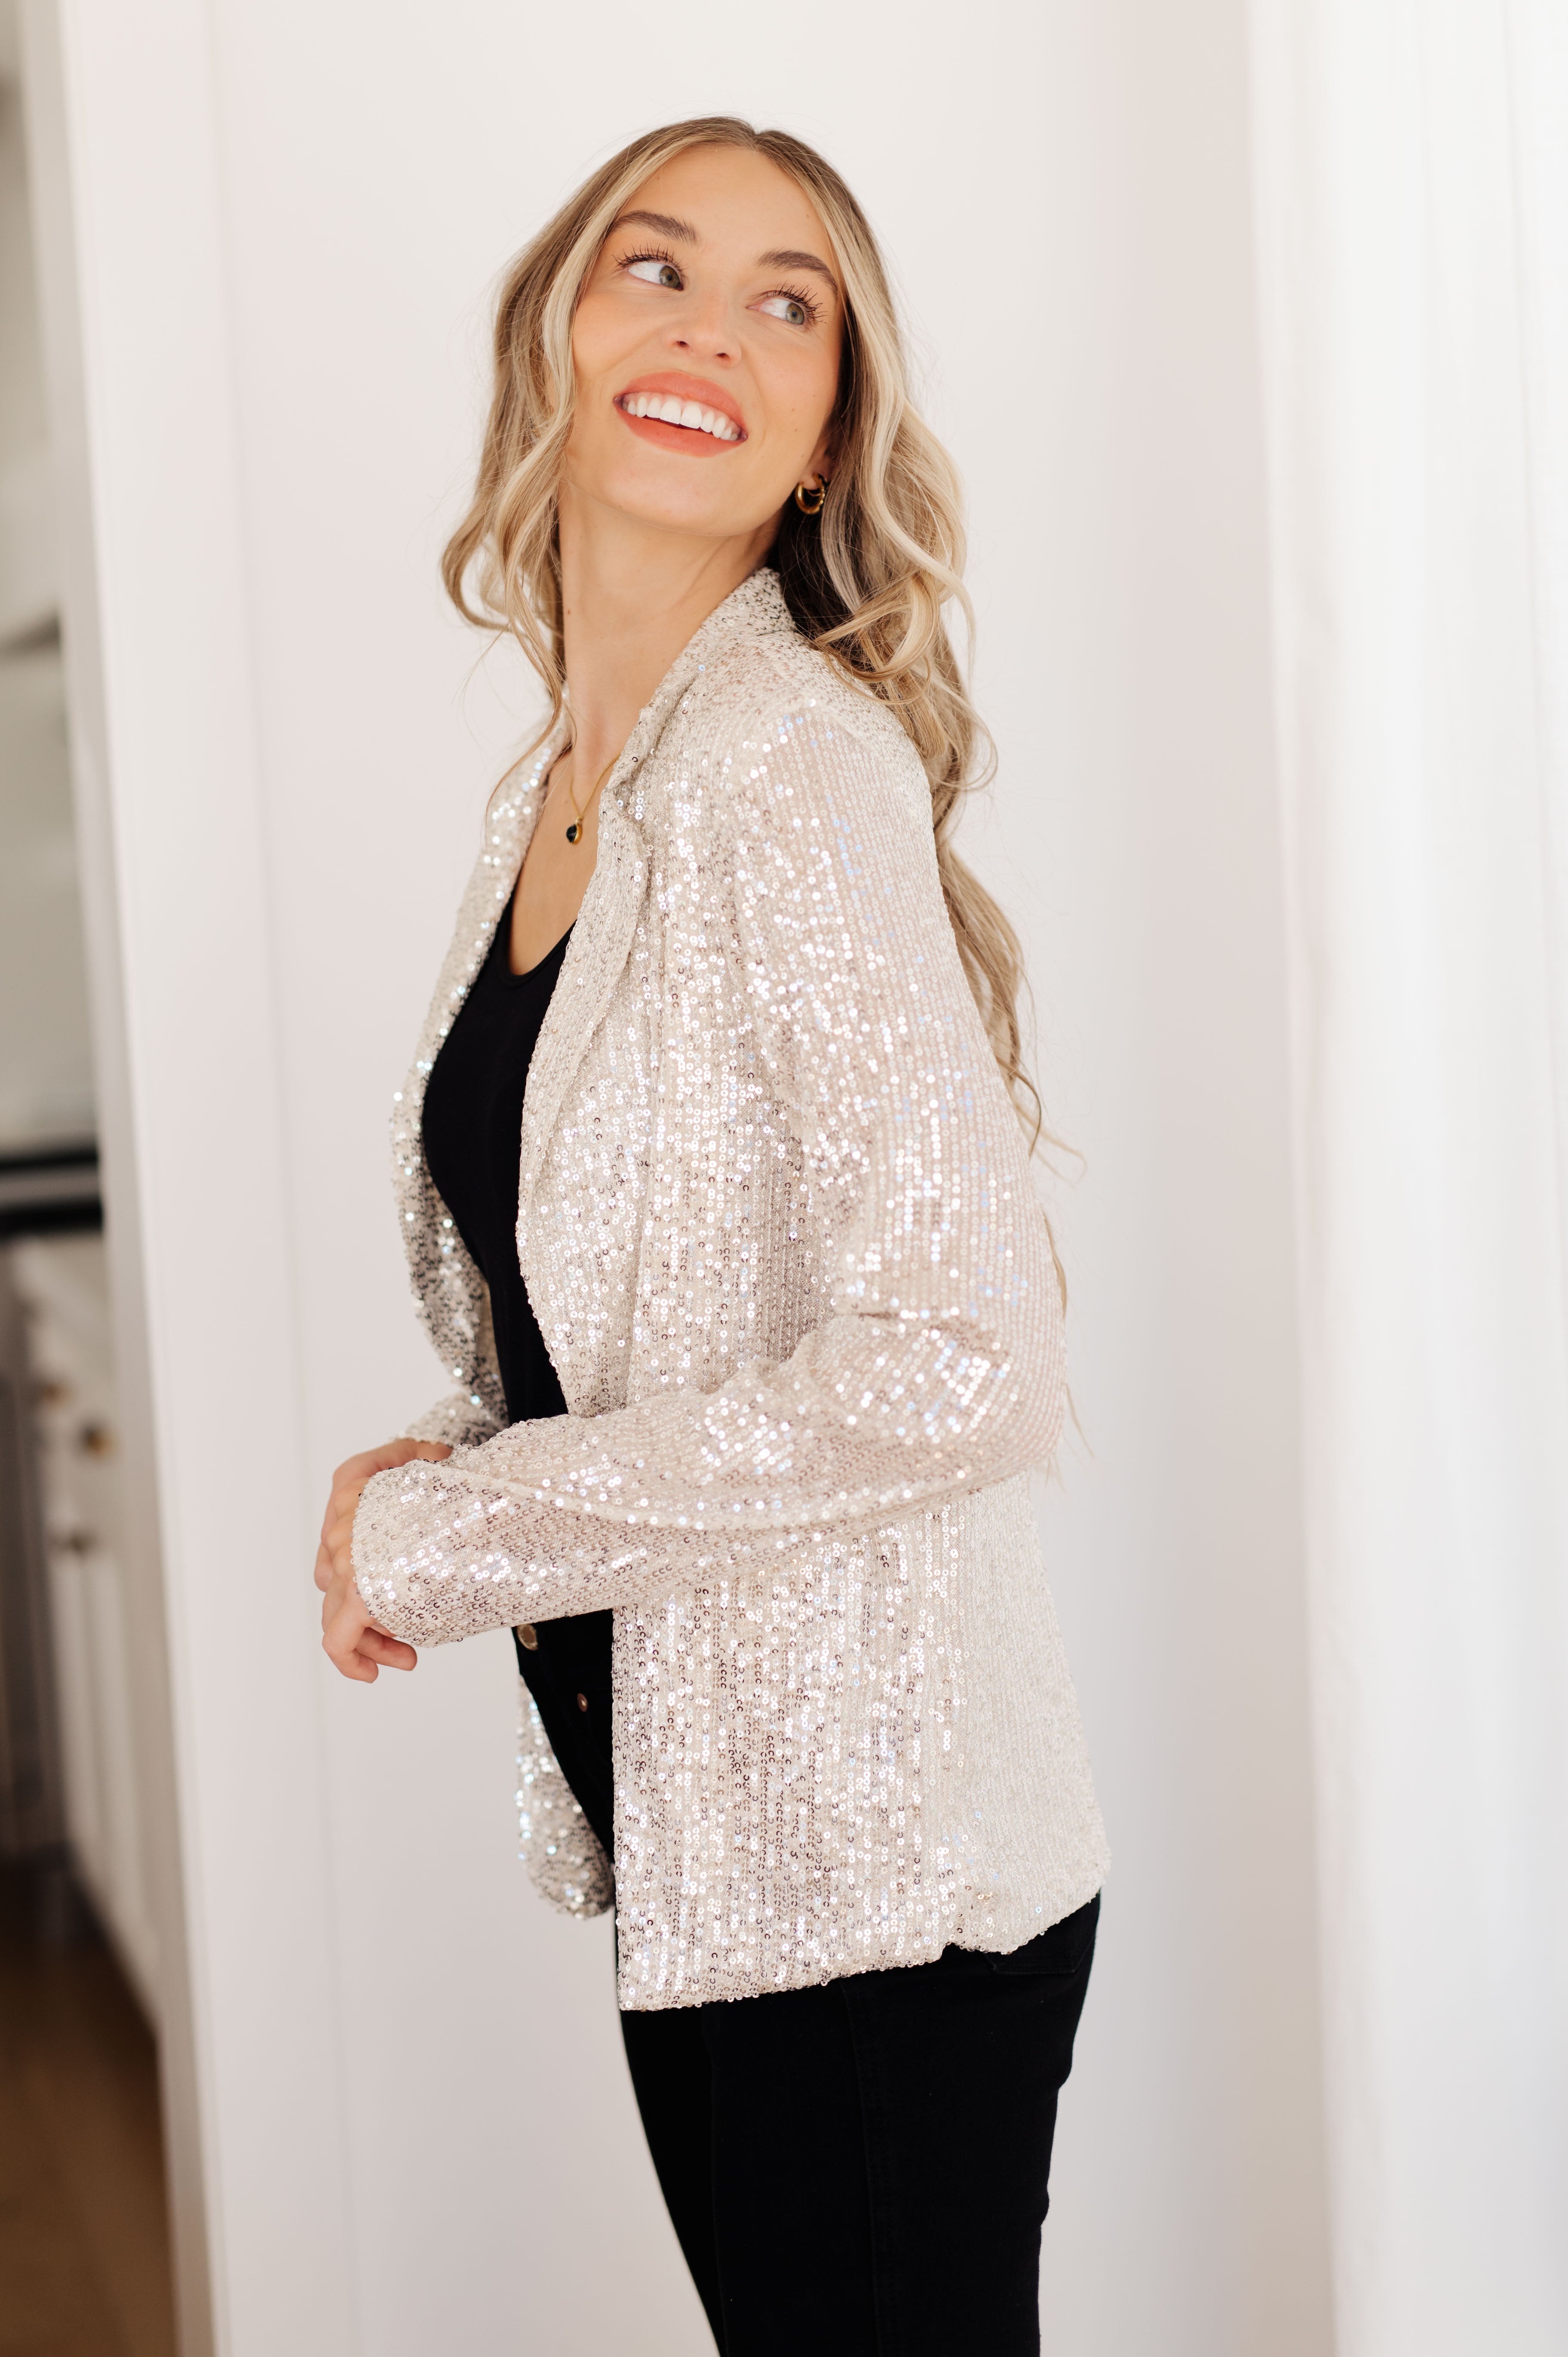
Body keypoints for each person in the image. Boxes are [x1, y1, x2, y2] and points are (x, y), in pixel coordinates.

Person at [316, 116, 1108, 2357]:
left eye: (791, 304)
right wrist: (445, 1450)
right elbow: (635, 1290)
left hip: (879, 1885)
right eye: (653, 267)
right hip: (740, 1860)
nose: (712, 331)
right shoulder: (576, 781)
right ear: (555, 338)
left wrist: (458, 1537)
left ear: (830, 427)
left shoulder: (786, 764)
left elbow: (965, 1357)